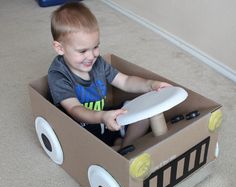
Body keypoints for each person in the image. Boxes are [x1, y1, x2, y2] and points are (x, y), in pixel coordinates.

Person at [48, 2, 171, 149]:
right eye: (82, 51)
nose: (92, 55)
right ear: (59, 48)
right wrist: (102, 117)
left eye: (96, 47)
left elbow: (124, 81)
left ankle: (125, 148)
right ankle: (115, 148)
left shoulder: (98, 63)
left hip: (106, 117)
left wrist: (150, 84)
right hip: (83, 128)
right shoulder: (58, 75)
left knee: (143, 112)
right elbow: (74, 109)